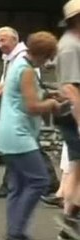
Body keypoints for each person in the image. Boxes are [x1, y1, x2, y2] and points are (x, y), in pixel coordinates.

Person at [0, 31, 59, 240]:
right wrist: (51, 104)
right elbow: (32, 106)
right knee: (39, 180)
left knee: (18, 185)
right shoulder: (27, 70)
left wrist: (48, 96)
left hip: (5, 134)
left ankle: (14, 231)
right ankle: (16, 231)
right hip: (19, 134)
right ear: (43, 54)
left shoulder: (19, 65)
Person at [54, 0, 80, 238]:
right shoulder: (70, 46)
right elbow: (69, 87)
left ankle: (70, 216)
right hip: (73, 113)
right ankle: (69, 216)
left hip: (72, 111)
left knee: (77, 165)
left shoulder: (74, 42)